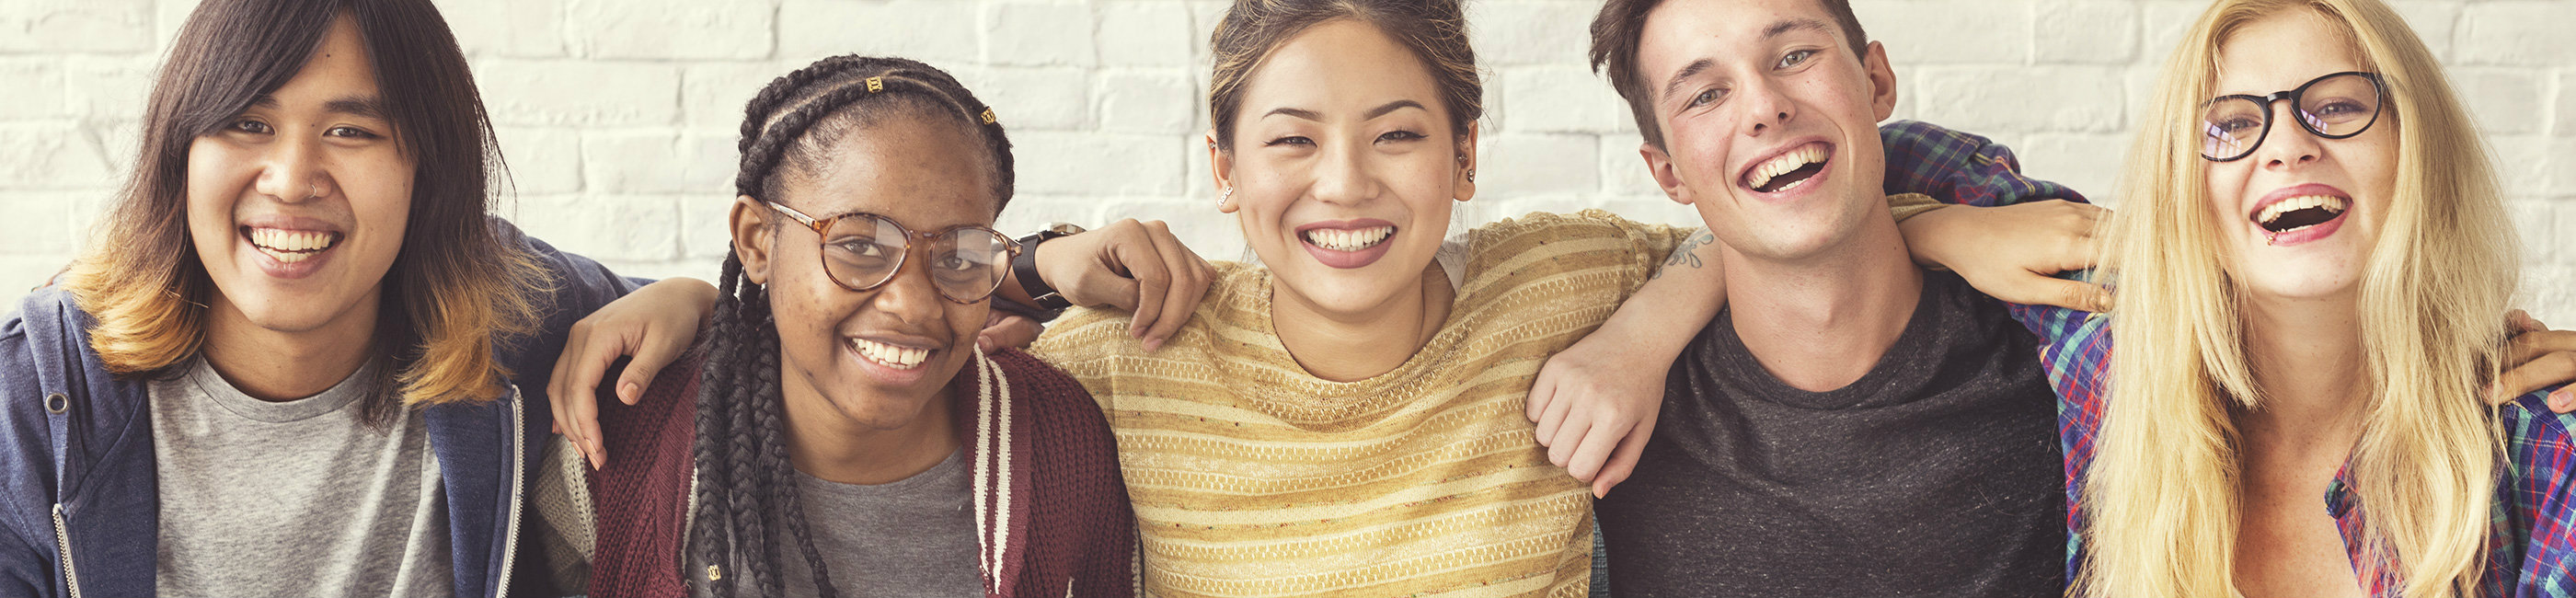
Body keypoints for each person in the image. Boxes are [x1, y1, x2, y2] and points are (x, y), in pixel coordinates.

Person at [0, 0, 711, 596]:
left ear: (423, 171)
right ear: (179, 152)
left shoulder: (507, 315)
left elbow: (762, 333)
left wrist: (695, 299)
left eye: (350, 131)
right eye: (248, 123)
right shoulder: (36, 402)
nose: (291, 178)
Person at [1931, 0, 2576, 594]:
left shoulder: (2540, 450)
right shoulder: (2111, 355)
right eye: (2233, 124)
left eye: (2339, 107)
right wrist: (1935, 227)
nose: (2289, 146)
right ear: (2181, 187)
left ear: (2417, 145)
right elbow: (1862, 152)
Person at [529, 55, 1139, 598]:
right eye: (859, 245)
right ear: (756, 240)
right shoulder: (623, 439)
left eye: (959, 256)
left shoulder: (1061, 444)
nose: (914, 306)